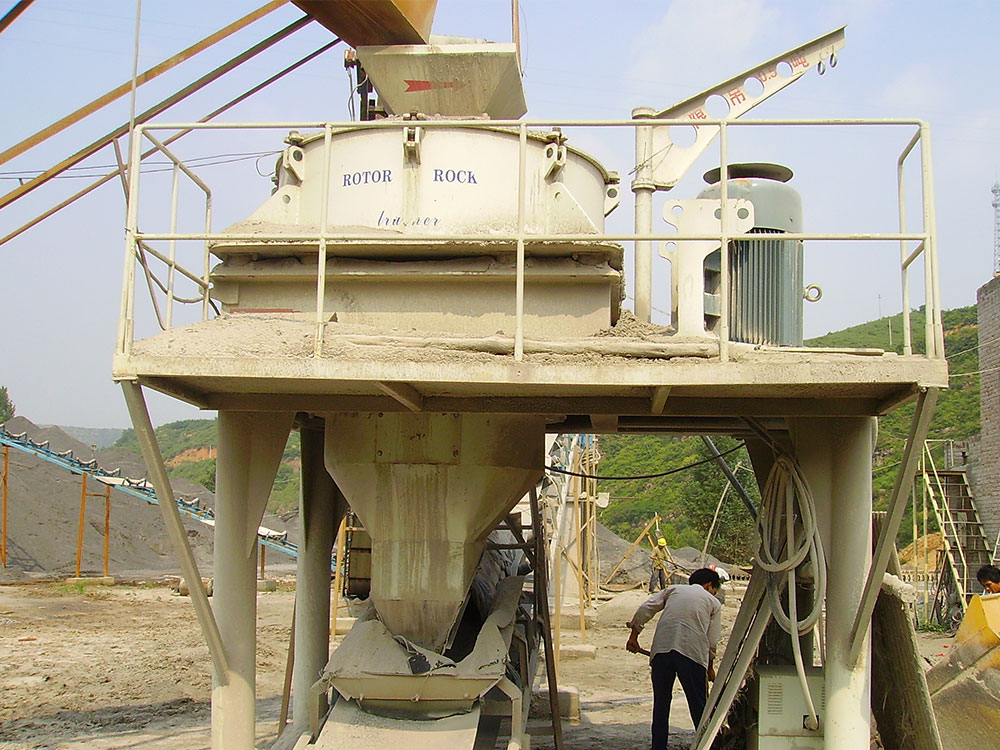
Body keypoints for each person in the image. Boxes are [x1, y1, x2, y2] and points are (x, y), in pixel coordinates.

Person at [627, 567, 722, 750]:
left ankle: (658, 746)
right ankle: (706, 745)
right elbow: (712, 640)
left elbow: (647, 608)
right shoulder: (713, 603)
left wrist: (633, 637)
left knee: (661, 705)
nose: (713, 593)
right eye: (714, 590)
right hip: (691, 653)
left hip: (661, 651)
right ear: (709, 585)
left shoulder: (674, 590)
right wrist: (710, 667)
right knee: (698, 704)